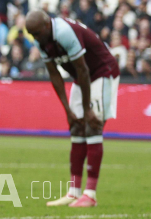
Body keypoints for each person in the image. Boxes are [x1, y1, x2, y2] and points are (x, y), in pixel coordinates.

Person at [25, 11, 120, 207]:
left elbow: (84, 68)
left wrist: (87, 109)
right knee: (77, 127)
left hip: (102, 72)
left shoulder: (64, 32)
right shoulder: (41, 40)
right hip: (81, 78)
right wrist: (67, 110)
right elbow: (55, 76)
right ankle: (74, 192)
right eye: (31, 35)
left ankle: (90, 194)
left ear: (46, 26)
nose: (35, 38)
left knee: (93, 125)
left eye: (36, 33)